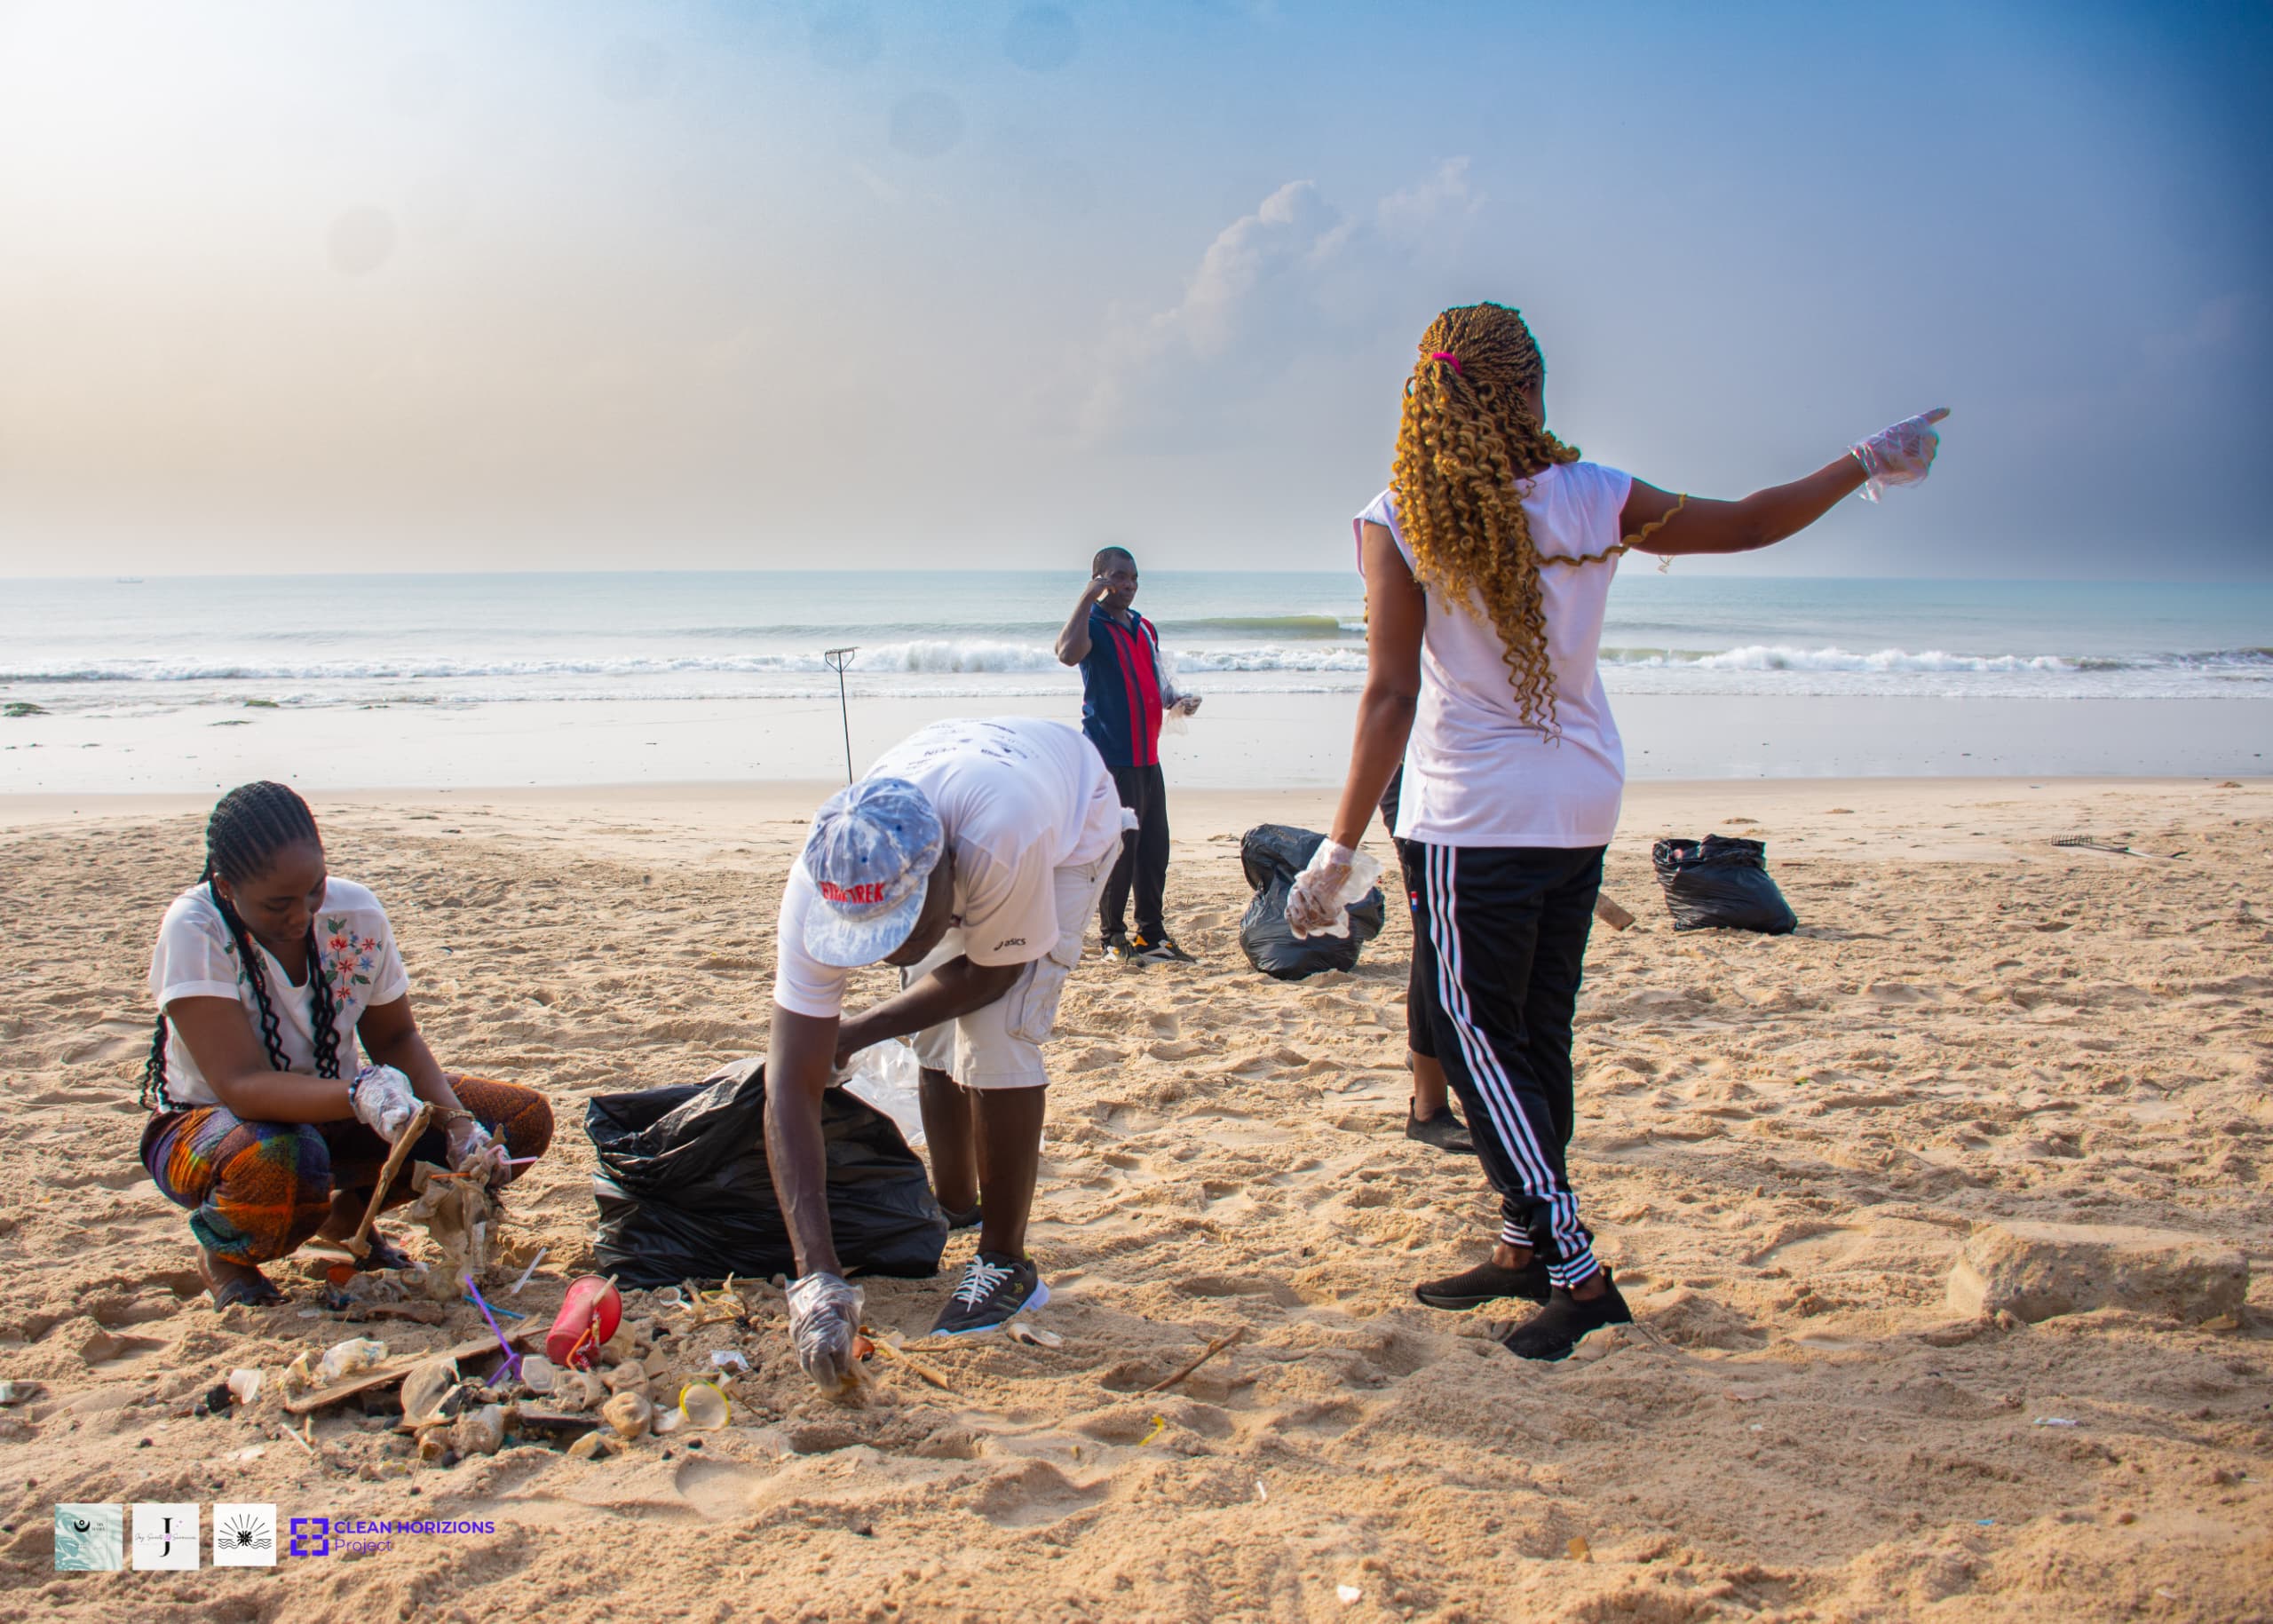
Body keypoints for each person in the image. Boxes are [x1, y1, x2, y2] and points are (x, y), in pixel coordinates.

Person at [1287, 301, 1947, 1359]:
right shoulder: (1595, 494)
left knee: (1471, 1034)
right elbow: (1751, 522)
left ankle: (1576, 1273)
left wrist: (1336, 849)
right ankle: (1519, 1247)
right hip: (1581, 796)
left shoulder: (1399, 517)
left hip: (1471, 812)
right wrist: (1863, 460)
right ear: (1529, 390)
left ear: (1427, 397)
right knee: (1534, 1030)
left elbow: (1391, 694)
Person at [766, 717, 1128, 1387]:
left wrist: (856, 1031)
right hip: (974, 786)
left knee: (995, 1031)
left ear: (946, 872)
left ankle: (1005, 1261)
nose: (893, 952)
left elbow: (993, 975)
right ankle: (957, 1204)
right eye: (873, 934)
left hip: (1070, 818)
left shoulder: (1003, 837)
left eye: (907, 927)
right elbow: (789, 1078)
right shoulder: (825, 879)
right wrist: (816, 1278)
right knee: (933, 1032)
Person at [139, 781, 553, 1307]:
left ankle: (348, 1217)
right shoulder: (195, 928)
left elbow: (396, 1037)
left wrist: (458, 1126)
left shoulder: (356, 913)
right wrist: (359, 1094)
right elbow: (240, 1085)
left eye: (314, 890)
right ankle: (226, 1256)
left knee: (517, 1122)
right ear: (225, 886)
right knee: (287, 1158)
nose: (301, 916)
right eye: (277, 905)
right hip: (214, 1128)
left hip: (338, 1110)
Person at [1055, 546, 1200, 964]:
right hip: (1111, 759)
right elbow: (1066, 654)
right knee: (1119, 852)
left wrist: (1177, 701)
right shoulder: (1092, 623)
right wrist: (1087, 598)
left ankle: (1150, 937)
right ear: (1100, 578)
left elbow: (1156, 682)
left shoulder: (1144, 627)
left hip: (1147, 758)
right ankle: (1112, 938)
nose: (1129, 585)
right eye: (1119, 576)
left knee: (1154, 850)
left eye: (1134, 578)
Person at [1381, 765, 1470, 1154]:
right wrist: (1340, 849)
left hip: (1494, 799)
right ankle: (1429, 1109)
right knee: (1437, 938)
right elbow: (1382, 732)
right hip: (1428, 797)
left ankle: (1437, 1059)